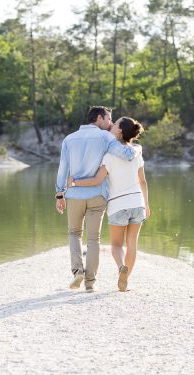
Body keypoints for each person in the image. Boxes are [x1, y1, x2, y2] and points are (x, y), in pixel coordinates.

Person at [55, 106, 140, 292]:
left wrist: (59, 194)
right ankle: (90, 282)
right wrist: (137, 148)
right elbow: (126, 154)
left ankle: (78, 270)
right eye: (109, 119)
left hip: (75, 195)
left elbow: (63, 170)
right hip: (97, 195)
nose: (111, 123)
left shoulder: (69, 139)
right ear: (100, 118)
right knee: (94, 239)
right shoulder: (106, 138)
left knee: (74, 234)